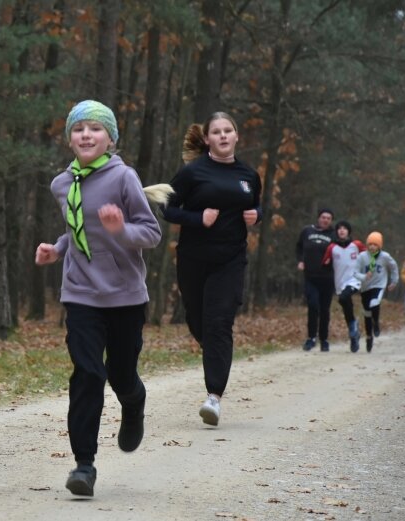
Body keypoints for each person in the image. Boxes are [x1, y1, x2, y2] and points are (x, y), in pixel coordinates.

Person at [35, 100, 169, 497]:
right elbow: (78, 230)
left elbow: (151, 233)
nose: (86, 135)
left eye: (95, 129)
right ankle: (84, 465)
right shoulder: (62, 183)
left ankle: (133, 400)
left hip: (125, 296)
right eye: (78, 129)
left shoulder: (123, 177)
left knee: (120, 374)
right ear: (69, 139)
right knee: (88, 373)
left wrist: (121, 230)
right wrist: (57, 249)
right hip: (80, 292)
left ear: (110, 139)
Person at [153, 111, 261, 428]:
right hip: (194, 258)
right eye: (217, 132)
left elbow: (257, 204)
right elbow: (167, 207)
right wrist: (197, 219)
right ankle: (215, 350)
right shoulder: (193, 172)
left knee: (218, 322)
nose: (224, 136)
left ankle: (214, 396)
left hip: (231, 259)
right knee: (198, 319)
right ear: (208, 138)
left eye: (229, 130)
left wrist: (257, 214)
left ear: (237, 136)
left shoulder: (249, 175)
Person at [322, 221, 366, 352]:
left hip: (355, 279)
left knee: (343, 298)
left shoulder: (356, 245)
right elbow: (324, 264)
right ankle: (354, 334)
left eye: (344, 228)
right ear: (336, 232)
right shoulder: (332, 247)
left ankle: (353, 328)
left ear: (348, 231)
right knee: (346, 306)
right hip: (340, 281)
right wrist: (327, 263)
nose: (342, 230)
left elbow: (369, 256)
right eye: (339, 229)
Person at [296, 209, 336, 351]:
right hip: (310, 277)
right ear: (318, 218)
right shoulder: (307, 231)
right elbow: (299, 247)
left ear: (331, 221)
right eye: (323, 217)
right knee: (313, 305)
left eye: (328, 218)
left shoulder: (334, 234)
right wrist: (300, 260)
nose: (325, 220)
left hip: (327, 278)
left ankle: (324, 339)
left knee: (324, 309)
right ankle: (311, 338)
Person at [353, 231, 399, 352]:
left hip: (379, 285)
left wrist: (394, 281)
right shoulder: (362, 256)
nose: (372, 247)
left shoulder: (385, 256)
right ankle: (369, 336)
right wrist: (363, 277)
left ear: (380, 246)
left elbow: (394, 267)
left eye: (375, 244)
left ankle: (376, 323)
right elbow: (355, 272)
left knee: (375, 302)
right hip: (365, 287)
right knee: (367, 313)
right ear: (367, 245)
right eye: (370, 244)